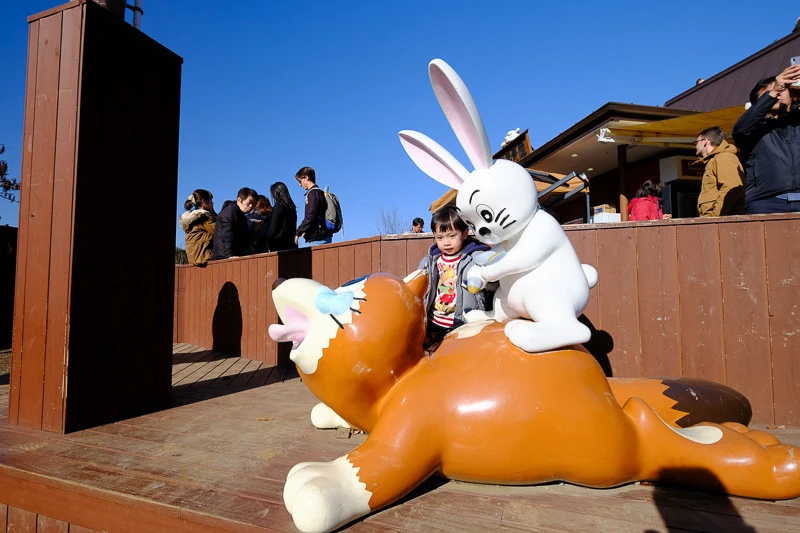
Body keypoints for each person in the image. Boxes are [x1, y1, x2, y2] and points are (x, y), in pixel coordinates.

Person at [417, 206, 493, 352]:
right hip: (434, 322)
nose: (446, 242)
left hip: (463, 322)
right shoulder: (430, 261)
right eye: (440, 237)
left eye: (452, 236)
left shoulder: (475, 258)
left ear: (464, 233)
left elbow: (493, 282)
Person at [732, 65, 800, 214]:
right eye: (769, 92)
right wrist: (774, 90)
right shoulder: (753, 129)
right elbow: (739, 129)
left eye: (783, 89)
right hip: (766, 202)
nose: (778, 93)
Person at [695, 126, 746, 217]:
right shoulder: (715, 159)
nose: (695, 145)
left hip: (722, 222)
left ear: (705, 141)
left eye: (696, 142)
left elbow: (731, 187)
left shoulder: (723, 157)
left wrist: (716, 216)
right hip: (715, 221)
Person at [210, 187, 258, 260]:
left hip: (233, 255)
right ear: (239, 199)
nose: (251, 206)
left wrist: (254, 230)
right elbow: (227, 235)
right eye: (249, 203)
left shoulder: (240, 214)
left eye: (254, 204)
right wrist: (230, 255)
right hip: (223, 258)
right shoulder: (230, 213)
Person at [294, 166, 333, 246]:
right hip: (324, 235)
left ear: (306, 178)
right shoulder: (320, 192)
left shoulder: (313, 193)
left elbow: (310, 216)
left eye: (300, 181)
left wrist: (298, 232)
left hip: (318, 238)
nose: (299, 184)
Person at [179, 189, 216, 266]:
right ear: (203, 201)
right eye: (210, 200)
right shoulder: (204, 217)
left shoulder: (192, 218)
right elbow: (218, 231)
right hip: (204, 256)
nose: (213, 203)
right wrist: (215, 215)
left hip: (193, 258)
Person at [267, 181, 298, 252]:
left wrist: (268, 242)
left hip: (279, 243)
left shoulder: (279, 205)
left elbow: (273, 226)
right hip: (291, 243)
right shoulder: (292, 206)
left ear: (276, 193)